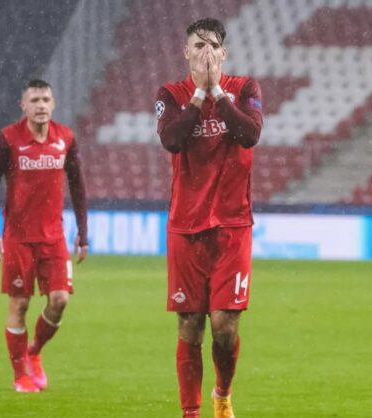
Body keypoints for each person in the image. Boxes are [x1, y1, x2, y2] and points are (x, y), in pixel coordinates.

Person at [156, 18, 263, 418]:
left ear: (224, 53)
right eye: (198, 45)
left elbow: (249, 134)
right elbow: (171, 139)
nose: (206, 52)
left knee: (224, 327)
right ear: (185, 52)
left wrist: (217, 91)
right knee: (190, 324)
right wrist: (199, 94)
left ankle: (222, 394)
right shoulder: (171, 95)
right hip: (186, 226)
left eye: (213, 45)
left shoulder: (245, 89)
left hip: (233, 226)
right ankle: (191, 413)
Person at [0, 79, 88, 393]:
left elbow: (77, 184)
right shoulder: (8, 138)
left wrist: (83, 233)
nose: (40, 105)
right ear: (23, 106)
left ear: (53, 104)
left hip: (54, 237)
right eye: (34, 100)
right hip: (18, 237)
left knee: (60, 300)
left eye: (45, 100)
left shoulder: (65, 138)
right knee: (20, 304)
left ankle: (35, 351)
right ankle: (21, 377)